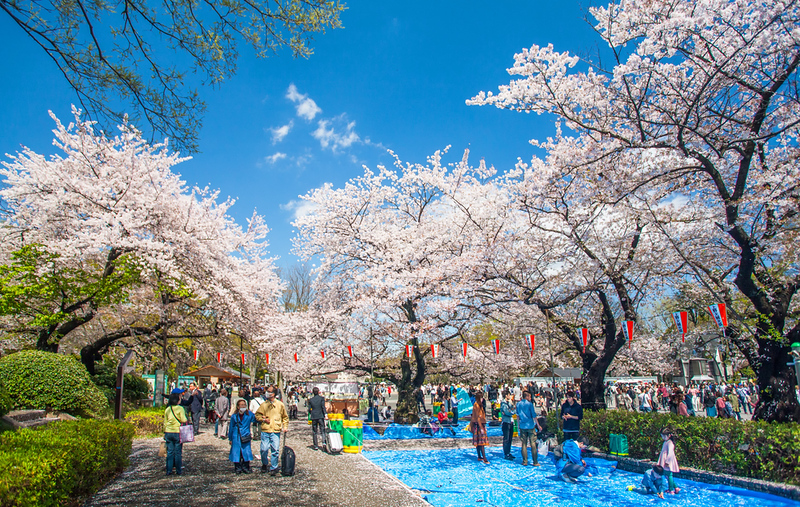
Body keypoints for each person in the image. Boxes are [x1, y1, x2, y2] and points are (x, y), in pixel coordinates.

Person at [254, 386, 289, 475]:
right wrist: (263, 419)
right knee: (264, 449)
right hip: (265, 429)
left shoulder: (280, 405)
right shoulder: (264, 405)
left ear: (273, 394)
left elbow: (285, 417)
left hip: (275, 430)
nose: (267, 393)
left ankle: (274, 467)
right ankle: (265, 463)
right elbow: (257, 415)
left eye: (269, 391)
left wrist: (285, 426)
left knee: (275, 449)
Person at [164, 392, 188, 476]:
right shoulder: (180, 408)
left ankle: (168, 470)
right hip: (177, 432)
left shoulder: (168, 409)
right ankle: (178, 470)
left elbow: (165, 422)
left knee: (170, 452)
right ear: (178, 400)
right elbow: (183, 420)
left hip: (168, 432)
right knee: (178, 452)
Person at [228, 399, 255, 473]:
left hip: (246, 435)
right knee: (236, 452)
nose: (243, 406)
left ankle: (245, 466)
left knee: (246, 451)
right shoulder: (234, 416)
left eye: (244, 405)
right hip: (236, 435)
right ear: (238, 406)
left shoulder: (249, 414)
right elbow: (231, 427)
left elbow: (256, 419)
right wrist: (230, 438)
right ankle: (238, 467)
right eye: (241, 405)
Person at [516, 391, 542, 466]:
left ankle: (525, 461)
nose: (530, 398)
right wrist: (538, 425)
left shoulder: (518, 404)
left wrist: (518, 426)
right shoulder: (530, 404)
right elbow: (534, 416)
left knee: (523, 444)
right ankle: (535, 461)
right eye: (529, 397)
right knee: (533, 443)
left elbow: (517, 416)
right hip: (530, 426)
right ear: (527, 397)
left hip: (522, 426)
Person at [657, 427, 681, 494]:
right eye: (662, 436)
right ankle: (676, 487)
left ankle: (671, 489)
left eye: (664, 436)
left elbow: (670, 453)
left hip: (667, 462)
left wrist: (667, 462)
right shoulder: (666, 442)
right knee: (667, 475)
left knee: (669, 475)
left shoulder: (670, 443)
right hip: (665, 461)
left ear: (669, 435)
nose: (663, 438)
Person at [470, 391, 489, 464]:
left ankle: (479, 456)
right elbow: (478, 417)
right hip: (479, 425)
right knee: (481, 442)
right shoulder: (477, 405)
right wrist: (481, 427)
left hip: (480, 424)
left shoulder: (478, 405)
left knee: (478, 442)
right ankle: (484, 458)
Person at [500, 390, 515, 460]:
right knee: (506, 438)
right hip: (506, 422)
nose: (510, 396)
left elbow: (513, 409)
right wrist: (511, 412)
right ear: (506, 395)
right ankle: (506, 453)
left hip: (511, 422)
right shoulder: (503, 404)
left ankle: (509, 452)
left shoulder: (509, 403)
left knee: (510, 438)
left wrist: (511, 410)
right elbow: (506, 412)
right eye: (509, 395)